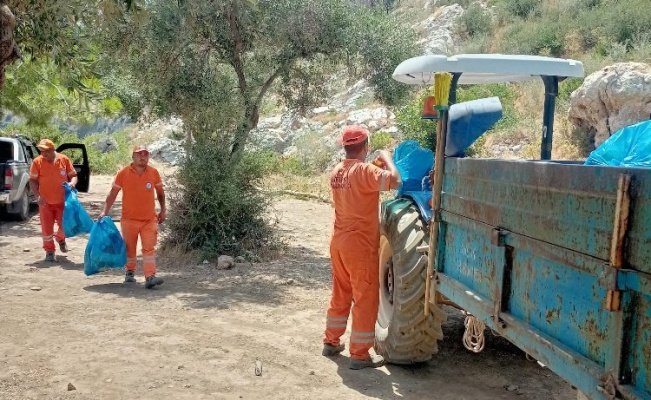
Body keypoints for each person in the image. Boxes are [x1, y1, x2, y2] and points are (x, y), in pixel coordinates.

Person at [322, 125, 401, 370]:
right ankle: (359, 355)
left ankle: (331, 341)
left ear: (345, 148)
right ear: (365, 147)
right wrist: (387, 157)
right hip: (360, 246)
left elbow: (358, 182)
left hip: (339, 242)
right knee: (366, 298)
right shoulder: (365, 171)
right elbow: (396, 181)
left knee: (341, 293)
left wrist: (373, 166)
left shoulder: (337, 171)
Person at [98, 145, 166, 289]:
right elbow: (113, 193)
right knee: (130, 248)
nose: (143, 157)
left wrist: (163, 209)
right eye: (139, 154)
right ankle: (130, 272)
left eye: (145, 154)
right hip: (129, 220)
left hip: (149, 220)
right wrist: (105, 211)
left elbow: (160, 193)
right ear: (133, 157)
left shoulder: (154, 173)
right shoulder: (123, 173)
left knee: (149, 249)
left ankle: (150, 277)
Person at [29, 139, 78, 262]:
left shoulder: (64, 159)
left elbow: (73, 175)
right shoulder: (37, 162)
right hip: (45, 203)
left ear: (52, 149)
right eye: (41, 151)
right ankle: (49, 251)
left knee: (65, 227)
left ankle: (60, 238)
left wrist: (72, 183)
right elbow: (33, 181)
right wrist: (37, 196)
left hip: (63, 202)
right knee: (46, 229)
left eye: (46, 151)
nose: (43, 154)